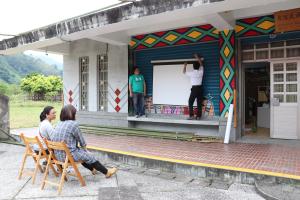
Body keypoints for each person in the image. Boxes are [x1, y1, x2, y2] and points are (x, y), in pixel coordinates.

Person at [51, 105, 117, 178]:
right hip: (68, 156)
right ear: (71, 114)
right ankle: (107, 172)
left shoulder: (58, 123)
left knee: (82, 154)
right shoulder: (73, 124)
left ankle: (93, 169)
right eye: (75, 113)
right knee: (89, 156)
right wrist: (86, 150)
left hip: (58, 156)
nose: (75, 115)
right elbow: (81, 141)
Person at [183, 54, 204, 120]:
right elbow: (201, 64)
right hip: (200, 88)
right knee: (199, 102)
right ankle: (198, 116)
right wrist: (197, 57)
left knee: (190, 102)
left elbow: (184, 72)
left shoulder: (191, 73)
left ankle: (191, 116)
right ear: (198, 67)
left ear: (193, 67)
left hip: (194, 89)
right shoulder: (201, 72)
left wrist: (185, 65)